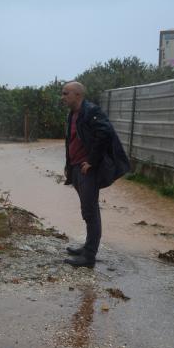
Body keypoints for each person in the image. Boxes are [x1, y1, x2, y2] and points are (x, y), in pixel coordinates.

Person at [62, 82, 129, 267]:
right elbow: (72, 141)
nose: (63, 97)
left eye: (66, 93)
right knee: (88, 209)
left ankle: (89, 256)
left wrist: (91, 160)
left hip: (88, 170)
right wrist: (68, 165)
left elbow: (105, 133)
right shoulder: (72, 114)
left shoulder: (91, 111)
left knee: (90, 211)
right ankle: (87, 247)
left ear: (77, 94)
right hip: (76, 167)